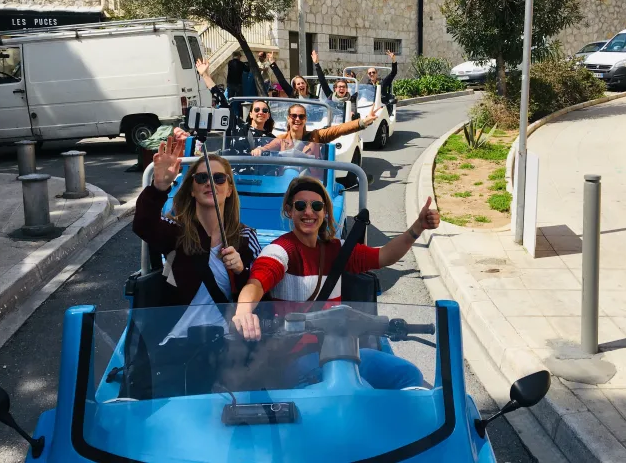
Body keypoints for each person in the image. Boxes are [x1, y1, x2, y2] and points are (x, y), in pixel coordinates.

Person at [232, 176, 441, 389]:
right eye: (301, 206)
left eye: (316, 206)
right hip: (296, 356)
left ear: (325, 212)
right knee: (361, 393)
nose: (309, 212)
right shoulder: (281, 250)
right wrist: (243, 313)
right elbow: (257, 282)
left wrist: (417, 228)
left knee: (408, 375)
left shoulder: (336, 250)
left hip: (343, 348)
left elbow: (384, 256)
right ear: (289, 210)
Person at [133, 137, 261, 338]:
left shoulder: (246, 237)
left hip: (229, 342)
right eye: (201, 178)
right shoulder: (176, 231)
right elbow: (143, 225)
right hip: (177, 340)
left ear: (229, 189)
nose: (210, 183)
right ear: (192, 190)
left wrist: (240, 270)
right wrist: (159, 186)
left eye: (219, 178)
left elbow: (261, 289)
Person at [251, 102, 379, 159]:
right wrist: (260, 150)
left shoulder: (316, 136)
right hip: (287, 183)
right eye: (293, 116)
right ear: (288, 118)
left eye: (301, 116)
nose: (297, 119)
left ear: (305, 119)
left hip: (311, 183)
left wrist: (363, 122)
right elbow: (268, 147)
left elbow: (339, 129)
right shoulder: (281, 139)